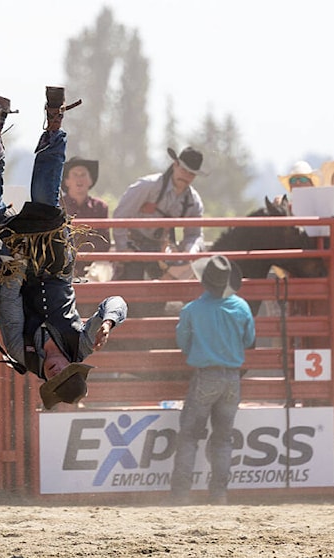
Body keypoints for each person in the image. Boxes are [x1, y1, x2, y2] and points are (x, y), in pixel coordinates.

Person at [0, 84, 127, 409]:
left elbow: (9, 303)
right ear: (73, 367)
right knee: (45, 198)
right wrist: (108, 323)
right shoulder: (82, 344)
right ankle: (55, 123)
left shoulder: (20, 352)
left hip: (15, 267)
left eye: (54, 381)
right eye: (64, 375)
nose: (55, 373)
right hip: (53, 260)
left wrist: (16, 263)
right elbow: (117, 301)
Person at [169, 254, 256, 506]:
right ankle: (219, 494)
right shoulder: (241, 307)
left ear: (204, 281)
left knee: (189, 435)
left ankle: (181, 494)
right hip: (232, 378)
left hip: (206, 376)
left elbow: (182, 342)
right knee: (223, 437)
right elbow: (249, 340)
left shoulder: (192, 310)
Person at [111, 146, 207, 282]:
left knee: (172, 285)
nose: (186, 176)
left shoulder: (193, 201)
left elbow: (194, 234)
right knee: (131, 283)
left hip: (162, 249)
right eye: (183, 170)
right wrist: (123, 249)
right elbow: (120, 215)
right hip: (134, 244)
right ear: (175, 165)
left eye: (191, 174)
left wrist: (190, 252)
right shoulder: (147, 186)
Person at [61, 157, 110, 280]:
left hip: (93, 267)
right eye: (75, 174)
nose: (79, 178)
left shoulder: (100, 207)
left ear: (90, 180)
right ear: (66, 181)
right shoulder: (58, 206)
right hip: (64, 265)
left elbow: (104, 242)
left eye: (83, 174)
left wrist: (86, 256)